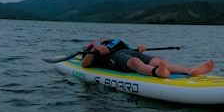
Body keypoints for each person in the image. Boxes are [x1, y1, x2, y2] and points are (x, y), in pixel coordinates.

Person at [80, 38, 214, 79]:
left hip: (127, 51)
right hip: (113, 58)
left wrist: (139, 48)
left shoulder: (114, 41)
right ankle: (156, 72)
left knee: (158, 60)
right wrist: (94, 49)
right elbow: (85, 65)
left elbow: (130, 49)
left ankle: (190, 70)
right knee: (134, 62)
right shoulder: (92, 48)